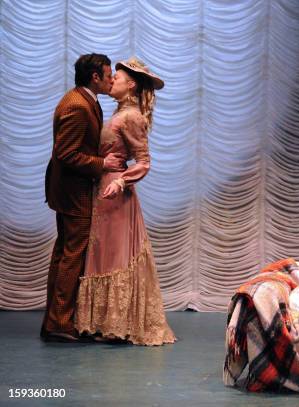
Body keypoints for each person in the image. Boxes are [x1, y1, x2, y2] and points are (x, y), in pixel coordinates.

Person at [74, 57, 176, 346]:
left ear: (130, 84)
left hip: (115, 194)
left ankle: (117, 324)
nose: (111, 82)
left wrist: (121, 181)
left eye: (116, 78)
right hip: (104, 189)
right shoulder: (120, 112)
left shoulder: (131, 116)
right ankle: (103, 323)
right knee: (103, 254)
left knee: (114, 256)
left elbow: (144, 161)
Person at [42, 53, 125, 342]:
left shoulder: (81, 99)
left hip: (66, 191)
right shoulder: (78, 106)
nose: (112, 79)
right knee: (71, 258)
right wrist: (102, 165)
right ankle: (60, 324)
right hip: (72, 193)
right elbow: (66, 154)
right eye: (108, 75)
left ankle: (54, 321)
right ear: (95, 77)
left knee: (64, 255)